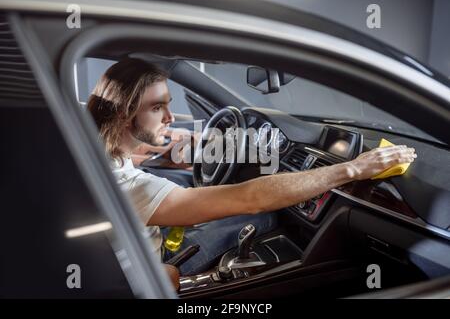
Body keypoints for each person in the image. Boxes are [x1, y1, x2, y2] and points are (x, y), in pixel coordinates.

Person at [87, 58, 416, 289]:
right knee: (264, 219)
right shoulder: (126, 184)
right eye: (158, 107)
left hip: (139, 248)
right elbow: (251, 197)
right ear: (124, 112)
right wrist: (352, 168)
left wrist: (177, 154)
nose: (171, 117)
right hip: (152, 272)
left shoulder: (97, 150)